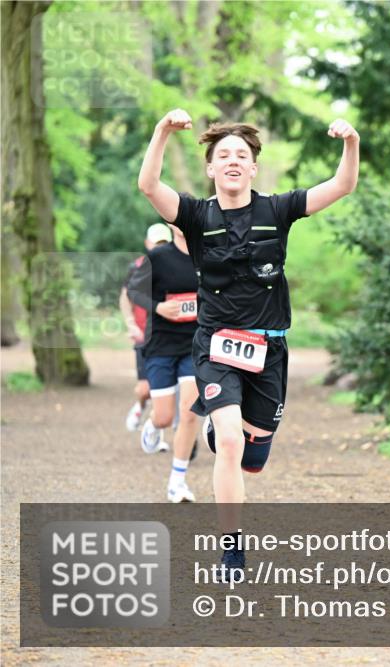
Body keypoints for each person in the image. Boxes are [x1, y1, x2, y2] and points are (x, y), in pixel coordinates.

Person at [137, 109, 359, 576]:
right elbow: (149, 186)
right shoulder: (196, 215)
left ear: (253, 167)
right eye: (224, 155)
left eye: (242, 154)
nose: (233, 161)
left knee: (252, 457)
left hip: (269, 349)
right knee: (232, 445)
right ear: (211, 168)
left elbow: (341, 185)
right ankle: (232, 549)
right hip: (216, 346)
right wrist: (161, 132)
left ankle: (230, 429)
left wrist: (350, 142)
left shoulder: (276, 210)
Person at [126, 223, 201, 502]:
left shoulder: (207, 255)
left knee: (191, 413)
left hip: (194, 345)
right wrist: (158, 307)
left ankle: (177, 482)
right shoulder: (158, 258)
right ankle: (153, 424)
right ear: (172, 223)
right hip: (160, 346)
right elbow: (133, 291)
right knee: (165, 416)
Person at [120, 223, 172, 451]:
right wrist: (131, 324)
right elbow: (125, 297)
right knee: (145, 389)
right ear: (147, 243)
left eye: (163, 242)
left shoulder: (176, 264)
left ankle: (157, 438)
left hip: (168, 335)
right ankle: (140, 406)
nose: (159, 247)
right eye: (155, 242)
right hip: (143, 334)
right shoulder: (138, 267)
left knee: (165, 390)